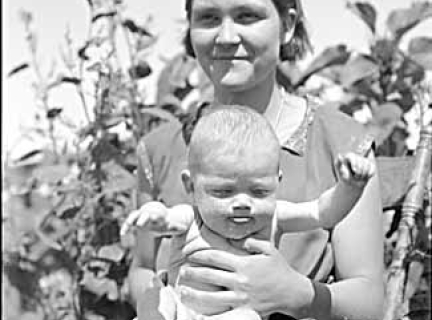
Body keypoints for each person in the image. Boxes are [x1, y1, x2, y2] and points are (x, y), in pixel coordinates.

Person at [125, 0, 385, 319]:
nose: (226, 36)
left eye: (247, 16)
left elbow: (370, 301)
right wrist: (163, 300)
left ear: (288, 25)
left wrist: (298, 293)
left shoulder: (340, 142)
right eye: (208, 18)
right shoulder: (160, 148)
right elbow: (141, 270)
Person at [121, 105, 376, 319]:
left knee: (246, 317)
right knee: (156, 297)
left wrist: (350, 187)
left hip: (232, 316)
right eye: (223, 192)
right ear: (191, 187)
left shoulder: (276, 216)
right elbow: (167, 219)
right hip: (181, 310)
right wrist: (153, 214)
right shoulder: (191, 218)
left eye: (258, 191)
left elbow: (323, 213)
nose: (242, 203)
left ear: (277, 182)